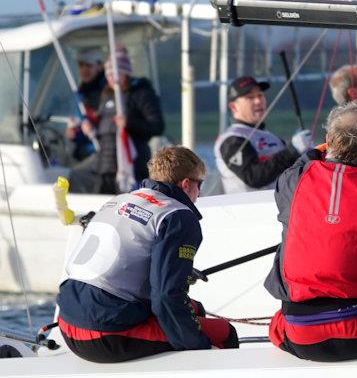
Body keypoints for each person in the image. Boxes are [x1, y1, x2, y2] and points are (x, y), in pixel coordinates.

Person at [56, 147, 238, 363]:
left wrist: (180, 273)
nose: (200, 192)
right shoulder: (178, 216)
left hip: (66, 320)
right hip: (103, 332)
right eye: (200, 184)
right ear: (186, 184)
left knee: (195, 310)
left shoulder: (120, 199)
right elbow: (165, 297)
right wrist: (198, 346)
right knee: (223, 333)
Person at [265, 101, 357, 361]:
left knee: (279, 323)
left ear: (328, 139)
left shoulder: (292, 181)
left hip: (302, 338)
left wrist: (322, 149)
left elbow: (301, 163)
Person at [214, 75, 312, 194]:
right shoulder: (232, 139)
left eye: (260, 95)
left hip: (279, 207)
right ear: (233, 107)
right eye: (250, 97)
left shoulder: (271, 137)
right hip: (250, 209)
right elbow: (253, 177)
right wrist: (292, 150)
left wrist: (307, 154)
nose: (258, 101)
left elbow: (290, 171)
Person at [86, 48, 165, 194]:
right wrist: (91, 129)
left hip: (133, 167)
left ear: (126, 73)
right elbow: (104, 129)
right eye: (108, 74)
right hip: (105, 167)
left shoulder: (141, 93)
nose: (112, 79)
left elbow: (157, 126)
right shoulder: (106, 95)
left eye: (116, 74)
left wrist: (128, 124)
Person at [66, 48, 105, 163]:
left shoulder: (108, 92)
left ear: (99, 66)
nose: (84, 69)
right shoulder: (81, 92)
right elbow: (82, 120)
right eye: (81, 65)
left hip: (101, 152)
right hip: (84, 152)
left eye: (88, 65)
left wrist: (95, 130)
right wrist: (74, 133)